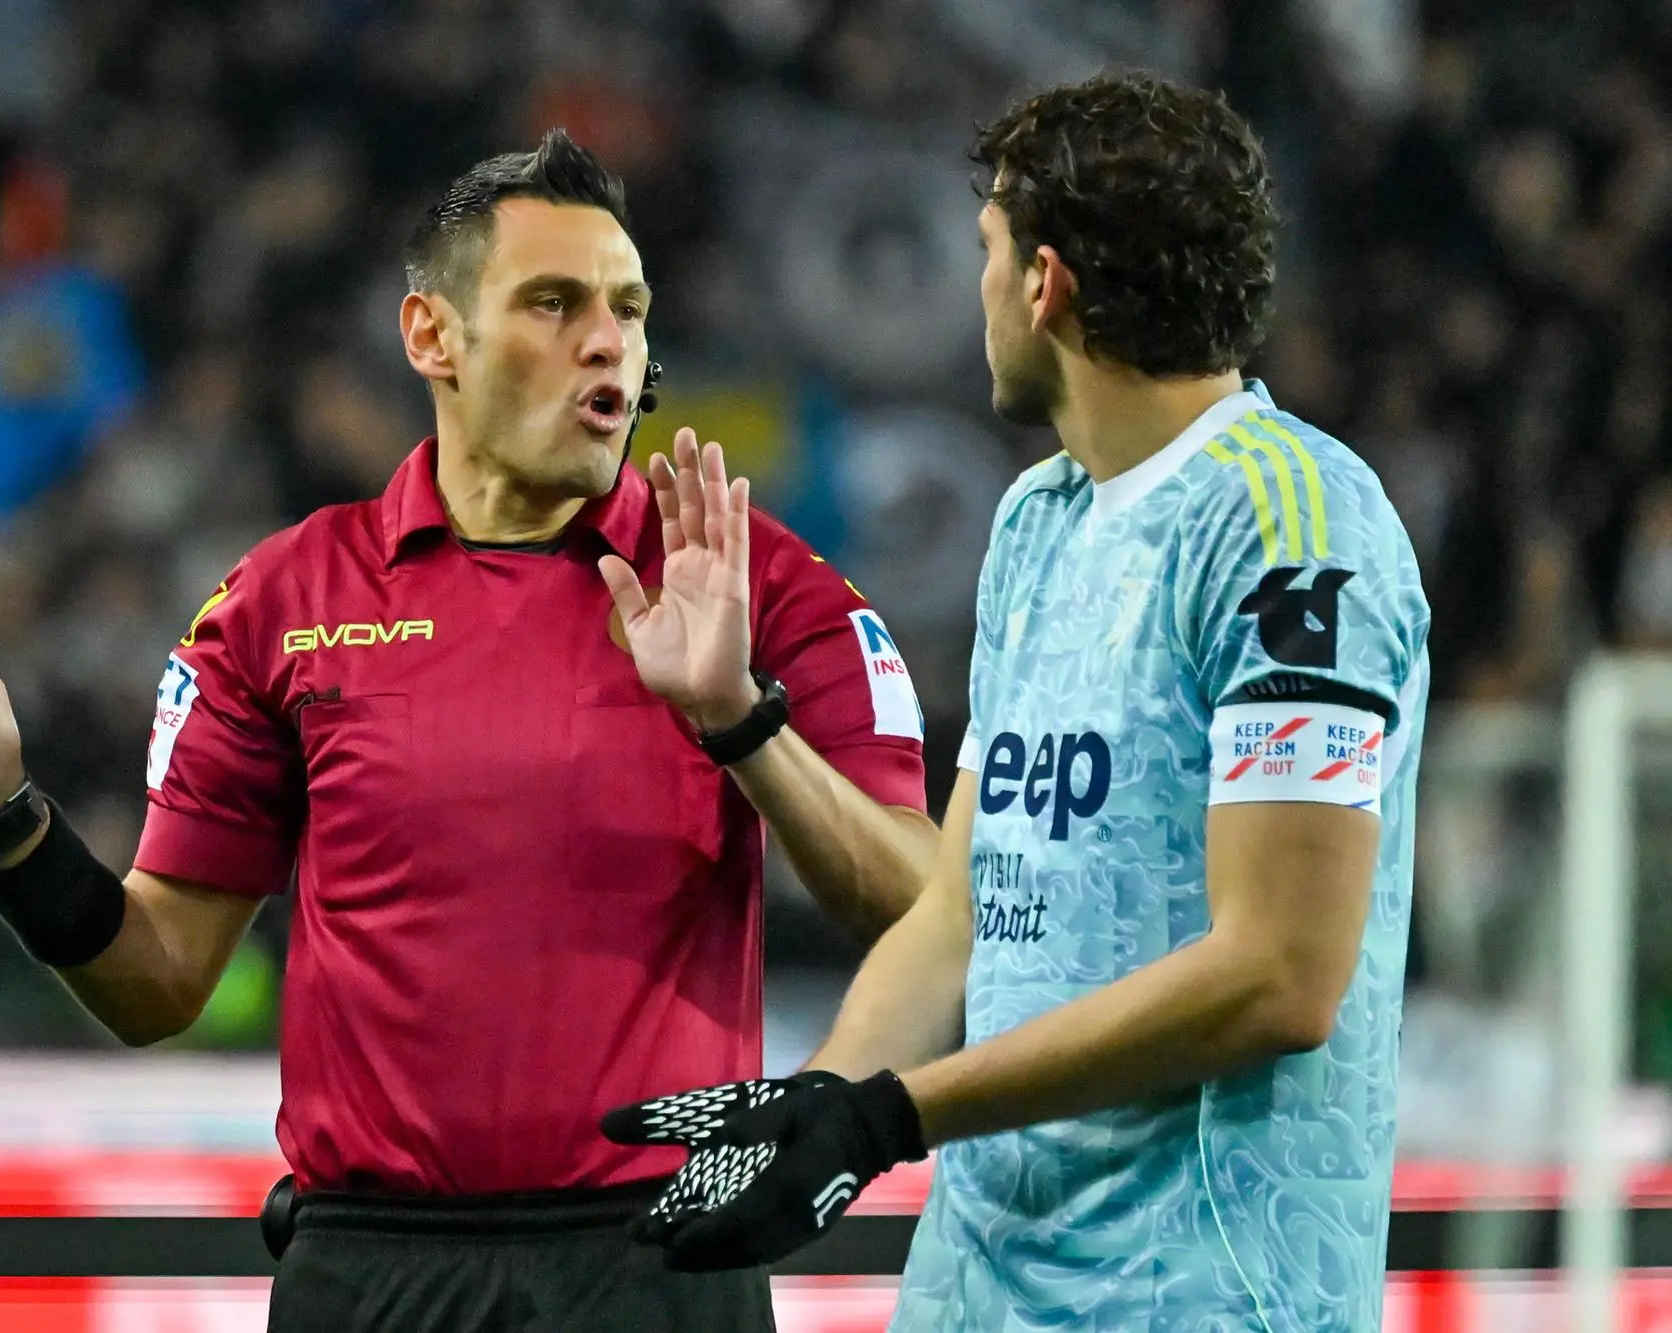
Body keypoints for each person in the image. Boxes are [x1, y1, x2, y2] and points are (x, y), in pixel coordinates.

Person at [0, 129, 938, 1333]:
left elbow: (926, 905)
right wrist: (0, 815)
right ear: (430, 337)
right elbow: (157, 984)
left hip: (661, 1261)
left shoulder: (758, 586)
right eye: (553, 303)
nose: (607, 340)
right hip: (368, 1271)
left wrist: (735, 716)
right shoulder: (280, 602)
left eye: (627, 307)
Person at [603, 73, 1431, 1333]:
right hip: (982, 1288)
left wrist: (892, 1114)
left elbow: (1279, 972)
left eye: (987, 254)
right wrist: (815, 1106)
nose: (977, 294)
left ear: (1045, 284)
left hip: (1198, 1295)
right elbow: (965, 904)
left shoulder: (1289, 529)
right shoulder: (1037, 520)